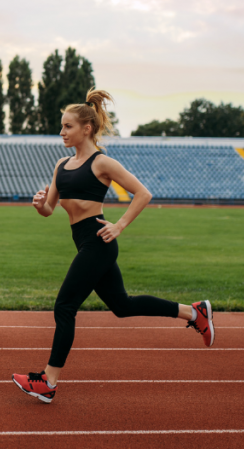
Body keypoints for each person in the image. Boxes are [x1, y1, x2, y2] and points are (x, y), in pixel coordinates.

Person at [12, 89, 214, 404]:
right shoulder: (61, 165)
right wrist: (39, 204)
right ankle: (194, 313)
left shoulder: (101, 162)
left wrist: (119, 225)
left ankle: (48, 380)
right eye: (62, 126)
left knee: (65, 306)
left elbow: (143, 193)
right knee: (122, 306)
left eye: (68, 126)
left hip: (98, 243)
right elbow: (50, 209)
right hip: (84, 244)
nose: (62, 132)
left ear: (86, 129)